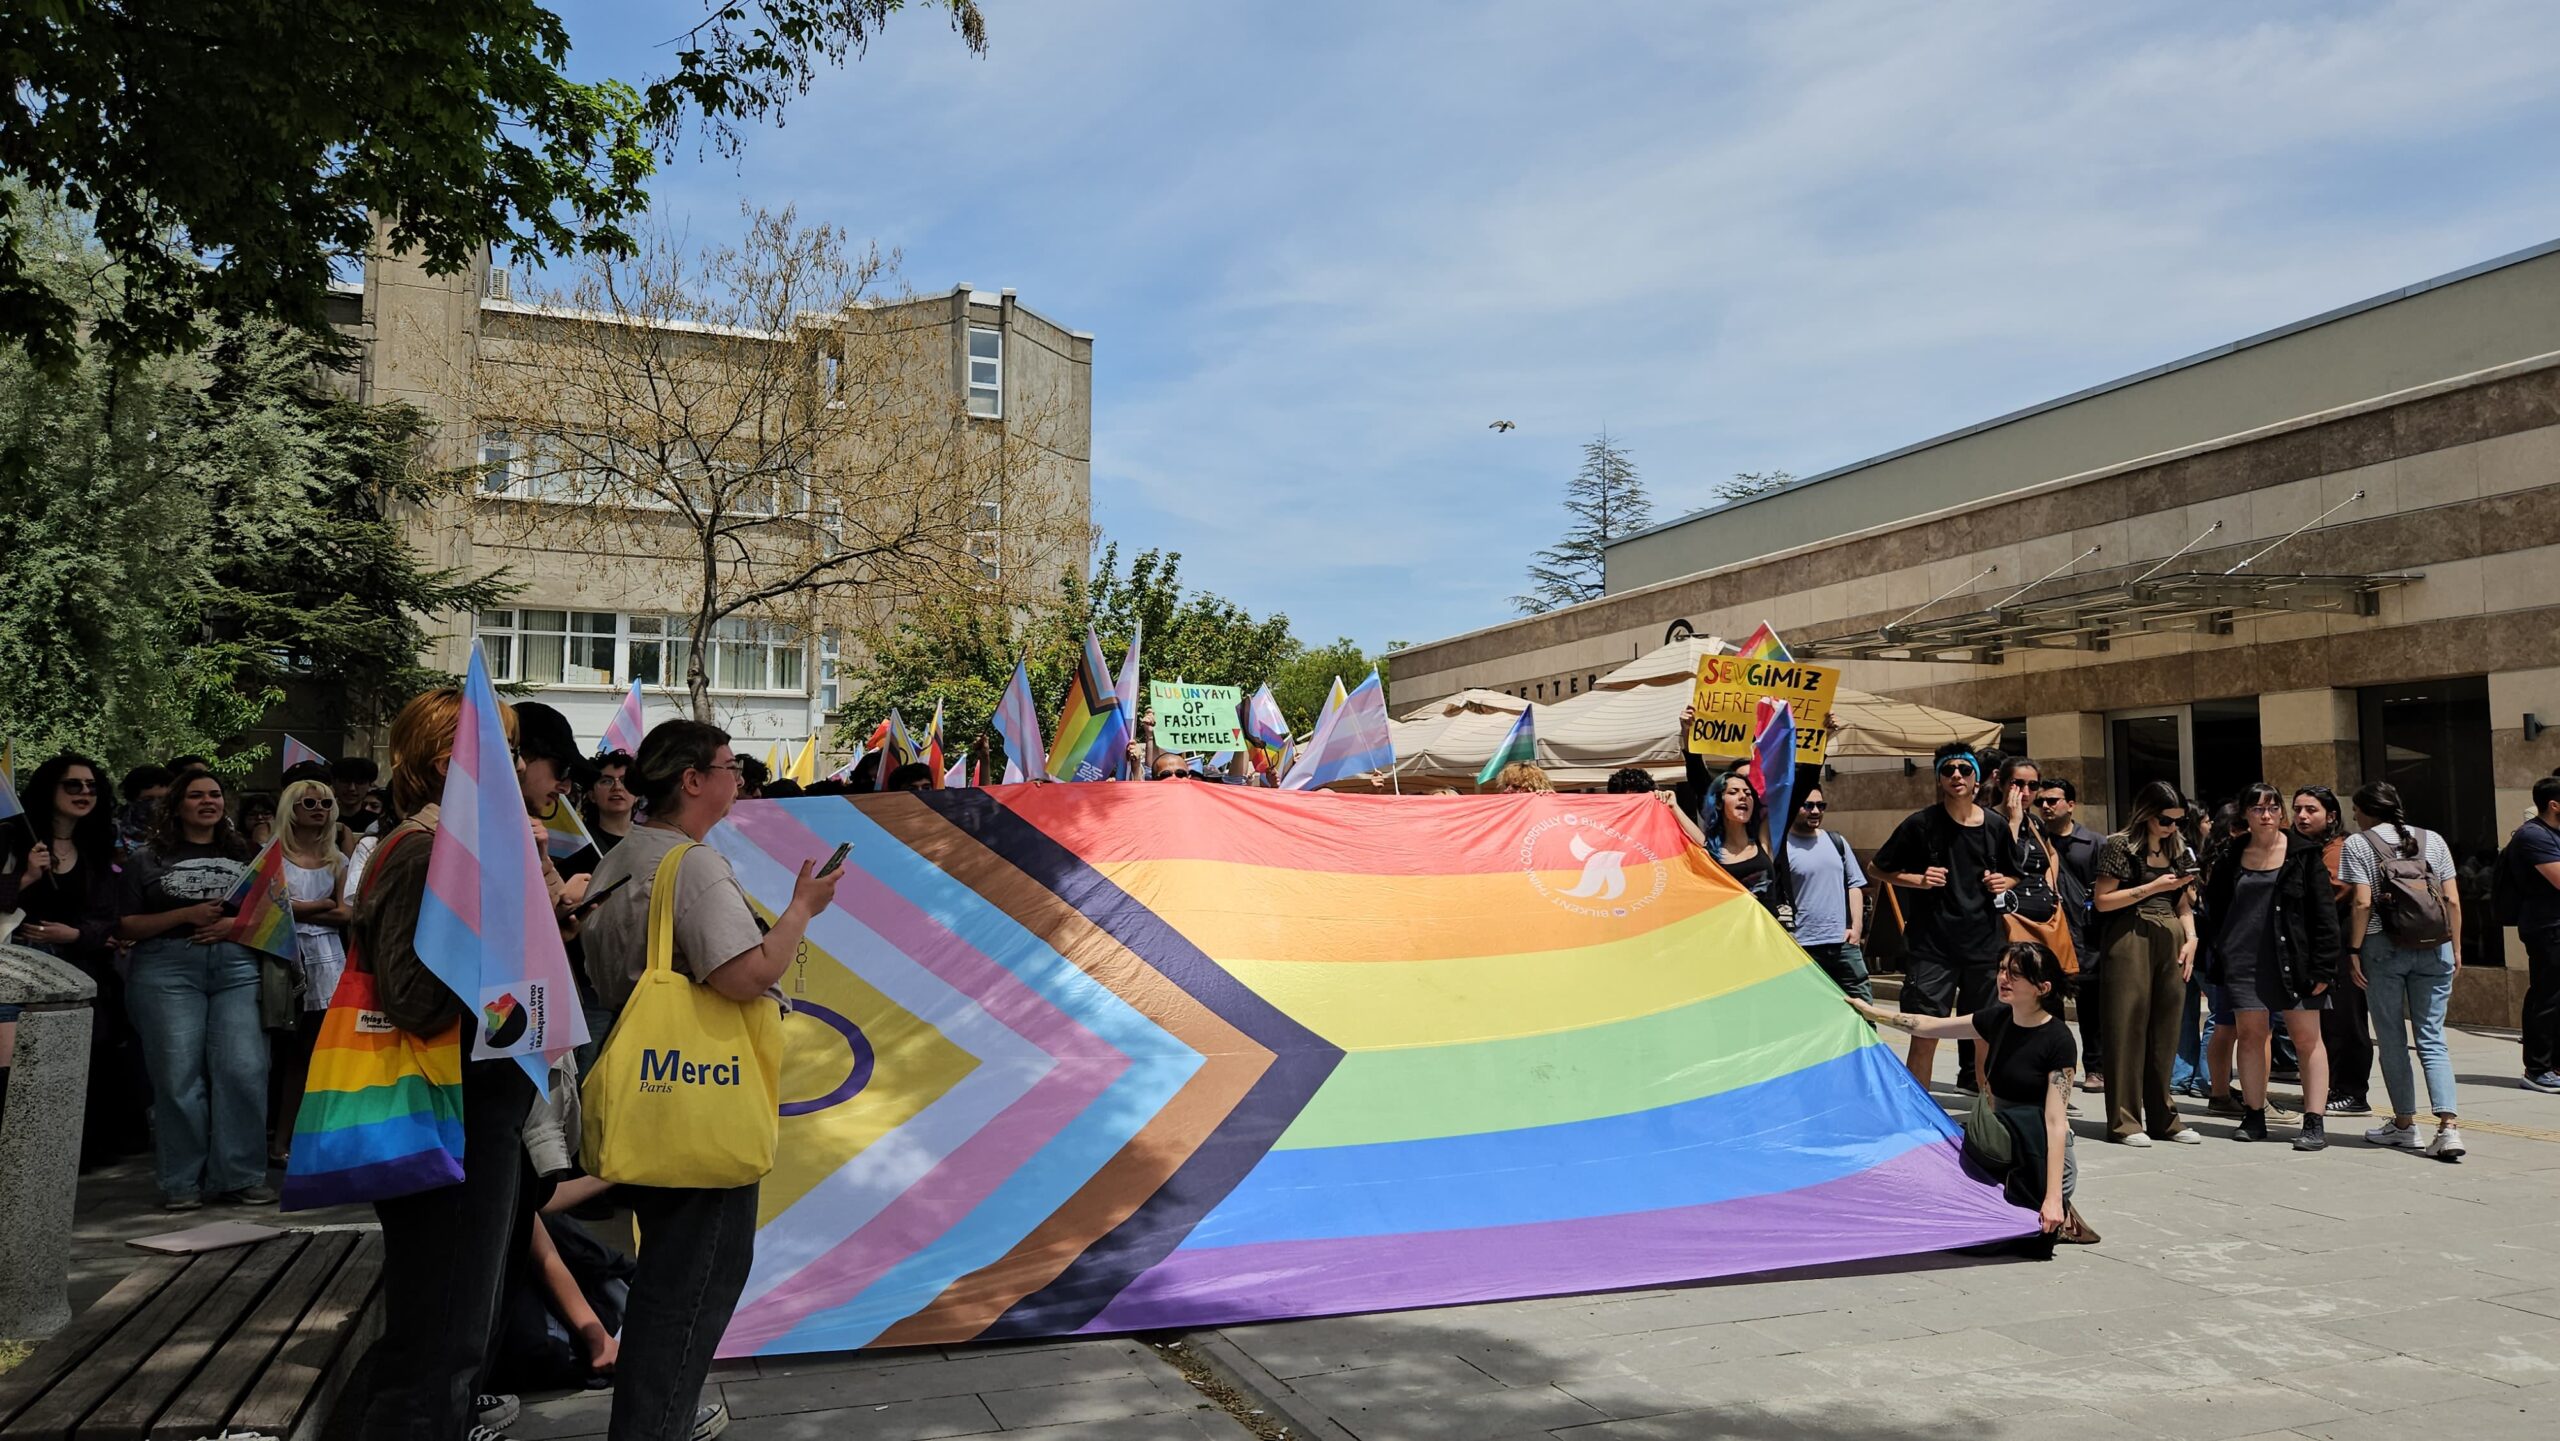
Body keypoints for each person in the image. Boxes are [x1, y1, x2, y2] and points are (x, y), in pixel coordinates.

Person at [583, 720, 842, 1441]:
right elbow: (744, 974)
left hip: (643, 1078)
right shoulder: (691, 864)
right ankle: (656, 1427)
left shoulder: (623, 854)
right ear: (692, 779)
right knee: (692, 1284)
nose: (740, 778)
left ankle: (649, 1420)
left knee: (666, 1272)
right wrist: (801, 911)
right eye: (729, 766)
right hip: (701, 1094)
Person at [352, 689, 538, 1441]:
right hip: (446, 1113)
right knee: (442, 1317)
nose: (520, 766)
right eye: (507, 751)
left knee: (459, 1311)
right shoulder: (425, 851)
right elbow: (412, 996)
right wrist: (497, 910)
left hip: (475, 1109)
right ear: (448, 762)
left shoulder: (459, 849)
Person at [1851, 942, 2089, 1242]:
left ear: (2042, 987)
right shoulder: (1996, 1019)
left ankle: (2058, 1210)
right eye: (2002, 969)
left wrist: (2053, 1197)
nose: (2003, 978)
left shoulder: (2059, 1040)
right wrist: (1869, 1011)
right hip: (1997, 1144)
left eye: (2015, 973)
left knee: (1992, 1237)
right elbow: (1927, 1026)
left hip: (2038, 1157)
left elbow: (2056, 1124)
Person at [115, 770, 273, 1209]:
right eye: (196, 795)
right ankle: (182, 1183)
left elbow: (273, 916)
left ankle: (240, 1175)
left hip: (237, 966)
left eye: (216, 794)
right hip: (167, 970)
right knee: (178, 1077)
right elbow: (126, 924)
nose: (208, 801)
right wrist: (186, 916)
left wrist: (230, 924)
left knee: (244, 1071)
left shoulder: (249, 854)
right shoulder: (146, 859)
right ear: (177, 805)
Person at [3, 752, 152, 1167]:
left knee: (85, 1065)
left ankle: (80, 1154)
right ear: (49, 790)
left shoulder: (97, 847)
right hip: (20, 971)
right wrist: (29, 877)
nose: (84, 792)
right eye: (73, 785)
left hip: (83, 973)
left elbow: (109, 919)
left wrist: (76, 935)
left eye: (91, 786)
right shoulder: (13, 839)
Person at [1872, 742, 2020, 1092]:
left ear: (1977, 779)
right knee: (1924, 1033)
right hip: (1932, 948)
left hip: (1984, 948)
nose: (1956, 776)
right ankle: (1919, 1120)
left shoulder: (1996, 826)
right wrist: (1918, 880)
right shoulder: (1921, 824)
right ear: (1939, 778)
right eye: (1948, 770)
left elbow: (2014, 872)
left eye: (1964, 770)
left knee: (1986, 1036)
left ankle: (1989, 1119)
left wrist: (2003, 881)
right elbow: (1877, 867)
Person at [2202, 782, 2340, 1150]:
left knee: (2307, 1039)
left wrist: (2325, 967)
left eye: (2272, 807)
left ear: (2281, 812)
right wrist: (2217, 952)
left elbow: (2324, 915)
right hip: (2244, 961)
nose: (2266, 815)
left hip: (2295, 962)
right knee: (2250, 1036)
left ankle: (2314, 1121)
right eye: (2257, 808)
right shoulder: (2232, 854)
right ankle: (2254, 1113)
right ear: (2245, 814)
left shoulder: (2303, 854)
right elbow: (2215, 909)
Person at [2339, 781, 2463, 1159]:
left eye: (2356, 810)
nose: (2355, 817)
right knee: (2431, 1037)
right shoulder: (2433, 840)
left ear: (2365, 810)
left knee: (2391, 1037)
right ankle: (2449, 1127)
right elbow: (2452, 899)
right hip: (2434, 946)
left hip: (2382, 948)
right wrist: (2455, 947)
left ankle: (2405, 1125)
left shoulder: (2358, 844)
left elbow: (2361, 904)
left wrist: (2355, 949)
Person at [2091, 781, 2203, 1147]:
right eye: (2166, 819)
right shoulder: (2119, 845)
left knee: (2167, 1026)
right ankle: (2124, 1121)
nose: (2172, 826)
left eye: (2178, 820)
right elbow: (2104, 900)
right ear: (2146, 814)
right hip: (2129, 932)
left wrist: (2192, 938)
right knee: (2126, 1024)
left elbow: (2184, 903)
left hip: (2170, 934)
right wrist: (2152, 887)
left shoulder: (2178, 846)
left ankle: (2164, 1117)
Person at [269, 778, 350, 1165]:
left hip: (330, 961)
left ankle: (312, 1138)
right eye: (309, 803)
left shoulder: (338, 860)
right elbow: (274, 909)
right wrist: (323, 905)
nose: (319, 809)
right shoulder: (273, 857)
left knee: (320, 1052)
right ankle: (280, 1139)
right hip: (285, 958)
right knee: (288, 1055)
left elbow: (348, 911)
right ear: (291, 810)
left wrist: (304, 906)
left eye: (325, 803)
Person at [2295, 787, 2368, 1115]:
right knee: (2326, 1022)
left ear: (2332, 816)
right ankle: (2333, 1086)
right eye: (2297, 809)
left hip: (2341, 949)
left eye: (2311, 810)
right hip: (2322, 950)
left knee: (2345, 1021)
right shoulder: (2310, 849)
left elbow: (2331, 892)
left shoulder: (2338, 849)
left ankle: (2352, 1091)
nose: (2302, 816)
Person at [2035, 778, 2106, 1090]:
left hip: (2086, 936)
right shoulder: (2034, 841)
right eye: (2042, 802)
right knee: (2049, 1005)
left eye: (2053, 800)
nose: (2047, 807)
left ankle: (2096, 1068)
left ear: (2071, 804)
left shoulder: (2093, 843)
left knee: (2091, 1009)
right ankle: (2059, 1068)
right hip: (2048, 934)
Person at [1782, 785, 1869, 999]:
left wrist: (1856, 928)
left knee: (1864, 1010)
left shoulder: (1836, 841)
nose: (1815, 811)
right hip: (1803, 946)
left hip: (1843, 944)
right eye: (1808, 805)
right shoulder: (1781, 847)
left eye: (1821, 806)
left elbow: (1854, 884)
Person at [2504, 776, 2560, 1093]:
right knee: (2547, 996)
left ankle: (2554, 1064)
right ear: (2553, 804)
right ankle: (2537, 1069)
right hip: (2547, 927)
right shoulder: (2533, 836)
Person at [1702, 771, 1773, 905]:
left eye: (1748, 793)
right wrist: (1673, 806)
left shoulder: (1762, 839)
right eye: (1733, 792)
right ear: (1718, 803)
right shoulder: (1709, 855)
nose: (1743, 797)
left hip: (1771, 925)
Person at [580, 750, 638, 858]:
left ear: (637, 794)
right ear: (592, 795)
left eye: (624, 781)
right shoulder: (581, 841)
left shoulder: (650, 840)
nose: (617, 787)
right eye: (606, 781)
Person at [116, 763, 173, 850]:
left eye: (162, 799)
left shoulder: (182, 832)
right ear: (132, 800)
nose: (156, 804)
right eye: (148, 799)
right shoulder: (114, 832)